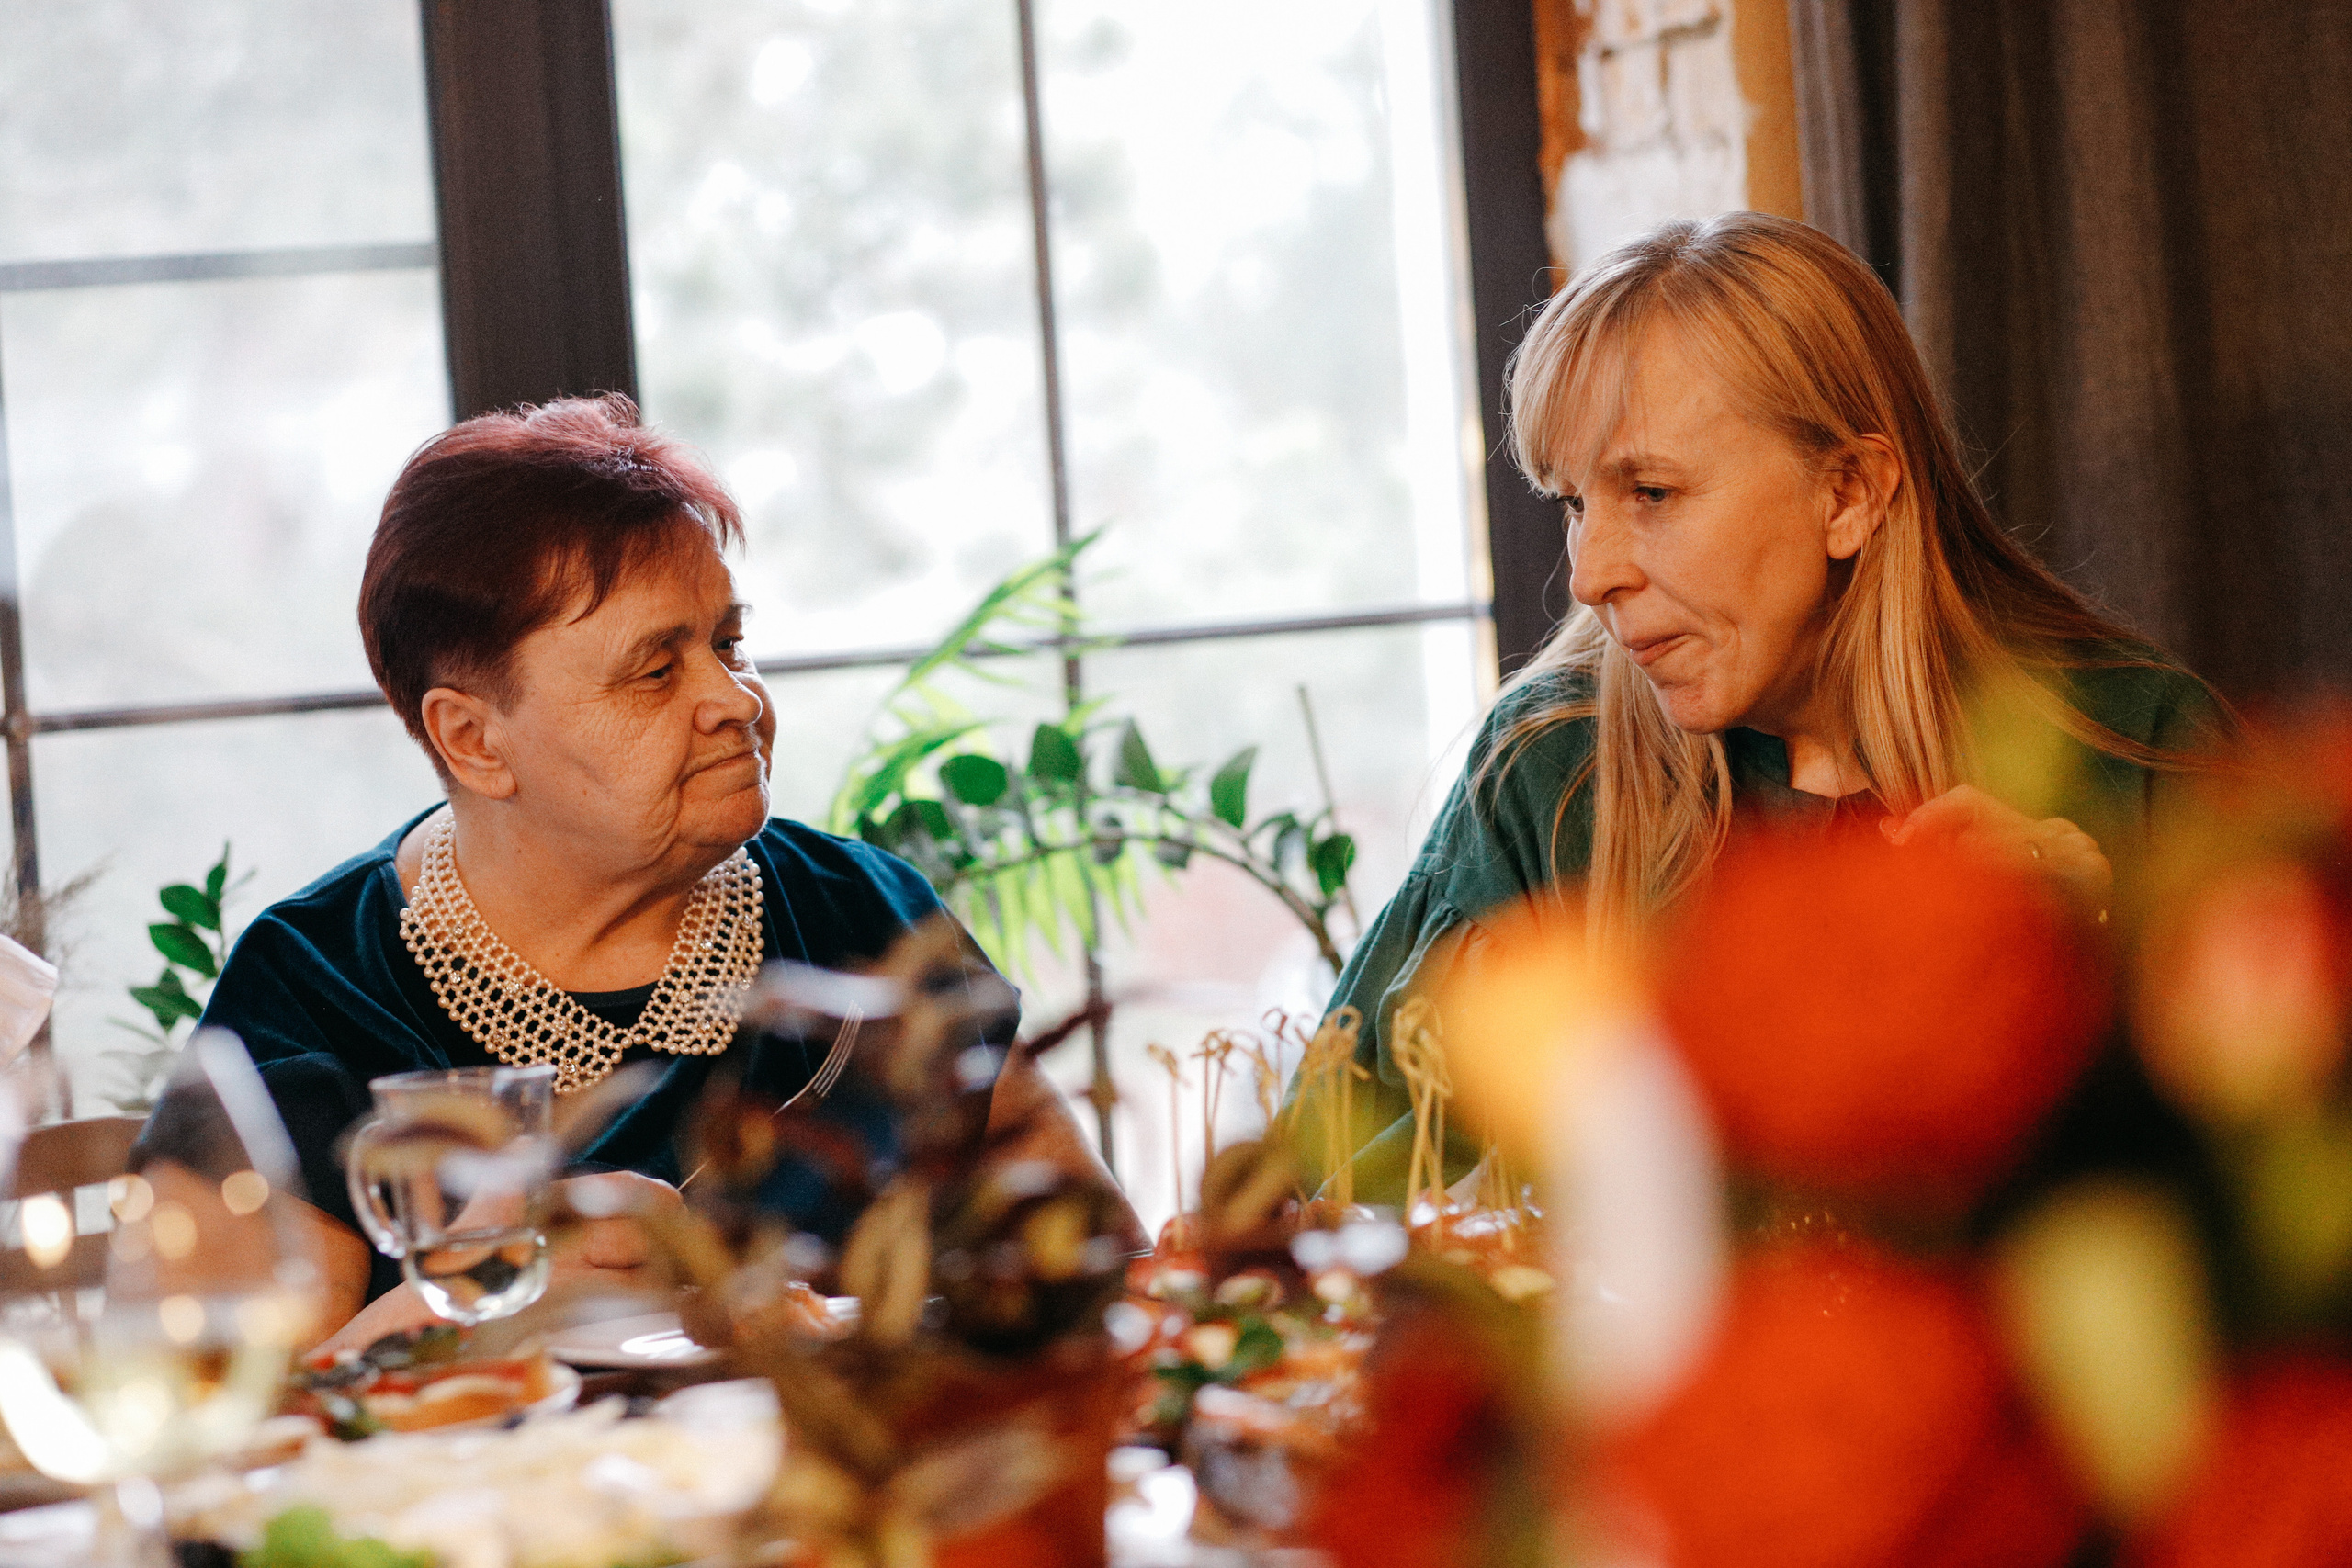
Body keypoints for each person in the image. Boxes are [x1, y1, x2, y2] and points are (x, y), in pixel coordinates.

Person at [1299, 212, 2223, 1198]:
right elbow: (1320, 1197)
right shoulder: (1549, 769)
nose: (1589, 575)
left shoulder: (2139, 743)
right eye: (1573, 502)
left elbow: (2271, 1223)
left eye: (1651, 492)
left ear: (1848, 493)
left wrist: (2095, 966)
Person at [187, 396, 1124, 1349]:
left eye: (728, 643)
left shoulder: (866, 918)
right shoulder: (313, 990)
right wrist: (468, 1303)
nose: (735, 700)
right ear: (472, 739)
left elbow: (1097, 1277)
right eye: (654, 671)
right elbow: (233, 1410)